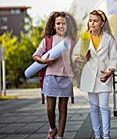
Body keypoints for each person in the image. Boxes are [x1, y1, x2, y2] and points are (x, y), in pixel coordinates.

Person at [72, 9, 117, 139]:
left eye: (96, 21)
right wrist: (82, 58)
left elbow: (114, 59)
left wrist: (110, 72)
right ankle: (97, 135)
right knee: (94, 108)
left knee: (104, 107)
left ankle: (106, 135)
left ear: (102, 23)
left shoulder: (109, 39)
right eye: (91, 20)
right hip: (89, 77)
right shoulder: (85, 37)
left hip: (104, 77)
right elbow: (74, 56)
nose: (92, 23)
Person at [33, 11, 78, 139]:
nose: (61, 26)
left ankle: (60, 136)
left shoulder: (72, 41)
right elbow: (35, 55)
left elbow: (74, 59)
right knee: (50, 109)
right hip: (51, 76)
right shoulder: (48, 40)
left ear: (67, 26)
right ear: (54, 25)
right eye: (58, 23)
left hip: (66, 78)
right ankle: (52, 128)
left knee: (63, 109)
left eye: (64, 23)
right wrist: (44, 61)